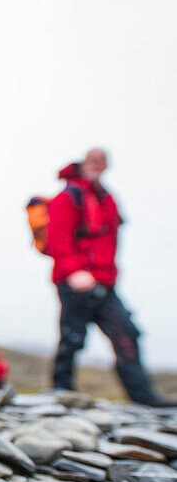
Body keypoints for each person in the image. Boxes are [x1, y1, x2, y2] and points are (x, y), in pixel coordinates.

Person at [47, 148, 168, 406]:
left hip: (105, 282)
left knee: (126, 334)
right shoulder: (69, 197)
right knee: (72, 337)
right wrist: (73, 272)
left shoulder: (107, 199)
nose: (97, 165)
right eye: (93, 160)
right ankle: (61, 393)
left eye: (102, 161)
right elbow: (57, 237)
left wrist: (110, 275)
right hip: (75, 282)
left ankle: (143, 397)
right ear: (83, 163)